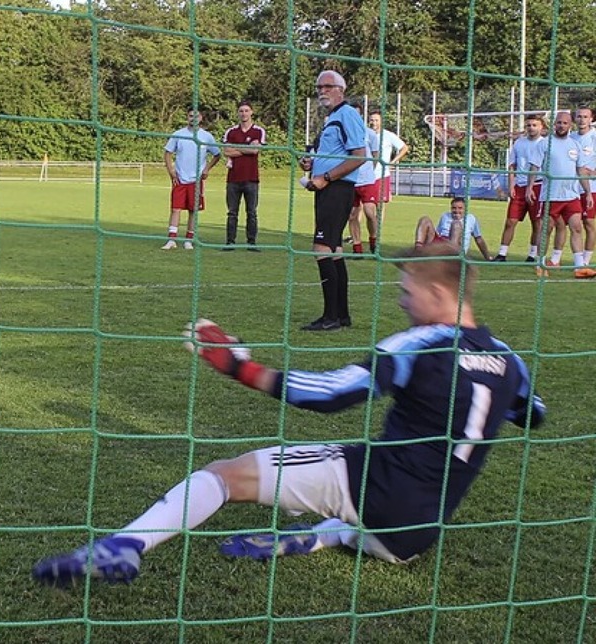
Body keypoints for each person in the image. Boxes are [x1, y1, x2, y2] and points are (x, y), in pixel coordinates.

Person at [31, 242, 546, 586]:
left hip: (376, 486)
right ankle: (318, 534)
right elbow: (533, 413)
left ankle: (126, 545)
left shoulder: (420, 342)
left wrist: (242, 368)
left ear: (438, 293)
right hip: (417, 533)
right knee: (367, 521)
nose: (401, 302)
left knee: (224, 477)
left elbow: (334, 394)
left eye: (406, 291)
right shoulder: (510, 360)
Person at [298, 70, 366, 331]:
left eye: (327, 86)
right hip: (328, 188)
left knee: (321, 249)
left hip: (337, 189)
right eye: (318, 87)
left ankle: (330, 318)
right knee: (335, 252)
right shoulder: (332, 118)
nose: (321, 91)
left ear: (341, 89)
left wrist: (326, 176)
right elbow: (334, 153)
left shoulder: (347, 114)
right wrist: (312, 163)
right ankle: (342, 316)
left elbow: (359, 156)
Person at [526, 110, 596, 279]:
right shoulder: (545, 144)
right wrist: (529, 187)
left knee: (577, 228)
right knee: (546, 230)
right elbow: (534, 167)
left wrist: (587, 192)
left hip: (571, 196)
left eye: (565, 123)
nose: (562, 126)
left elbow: (580, 171)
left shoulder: (575, 145)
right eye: (559, 123)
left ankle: (579, 267)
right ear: (554, 124)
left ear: (569, 125)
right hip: (551, 196)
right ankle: (541, 263)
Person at [161, 108, 221, 250]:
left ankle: (189, 239)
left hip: (196, 179)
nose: (193, 119)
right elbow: (168, 153)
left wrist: (207, 169)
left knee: (193, 210)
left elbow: (217, 154)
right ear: (187, 118)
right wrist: (171, 170)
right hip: (180, 178)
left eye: (196, 116)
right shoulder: (178, 134)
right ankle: (171, 239)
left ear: (201, 118)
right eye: (190, 116)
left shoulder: (206, 136)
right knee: (176, 208)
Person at [493, 114, 547, 262]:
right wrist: (511, 184)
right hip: (520, 186)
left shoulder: (545, 144)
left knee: (537, 222)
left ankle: (532, 255)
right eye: (528, 125)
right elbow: (512, 165)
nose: (531, 128)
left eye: (534, 125)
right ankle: (502, 253)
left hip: (538, 186)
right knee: (511, 221)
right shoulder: (518, 143)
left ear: (541, 127)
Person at [221, 100, 266, 251]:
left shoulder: (258, 131)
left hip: (251, 179)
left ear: (251, 112)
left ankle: (251, 242)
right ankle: (230, 242)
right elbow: (226, 151)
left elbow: (256, 151)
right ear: (238, 113)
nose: (244, 113)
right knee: (232, 212)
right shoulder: (231, 132)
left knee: (251, 212)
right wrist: (247, 147)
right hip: (233, 179)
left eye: (247, 110)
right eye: (241, 111)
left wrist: (238, 149)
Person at [347, 104, 381, 257]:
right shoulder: (345, 134)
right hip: (350, 180)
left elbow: (375, 156)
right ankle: (357, 247)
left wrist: (368, 171)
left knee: (369, 213)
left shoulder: (369, 134)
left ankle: (373, 240)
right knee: (352, 215)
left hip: (367, 180)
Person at [414, 197, 493, 260]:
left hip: (456, 247)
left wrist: (487, 257)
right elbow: (437, 233)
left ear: (465, 209)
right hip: (441, 243)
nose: (456, 210)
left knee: (456, 224)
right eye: (454, 208)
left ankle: (451, 258)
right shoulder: (445, 216)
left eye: (460, 208)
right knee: (425, 220)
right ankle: (418, 252)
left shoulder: (471, 218)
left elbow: (478, 239)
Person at [368, 110, 409, 217]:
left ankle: (377, 232)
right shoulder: (365, 134)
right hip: (367, 175)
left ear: (381, 121)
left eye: (376, 120)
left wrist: (392, 163)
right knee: (365, 206)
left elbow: (404, 148)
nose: (374, 122)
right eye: (372, 120)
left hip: (381, 175)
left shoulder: (388, 135)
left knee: (380, 206)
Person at [570, 107, 596, 266]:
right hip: (572, 188)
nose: (582, 120)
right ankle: (557, 258)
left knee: (589, 223)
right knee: (573, 224)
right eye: (579, 116)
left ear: (592, 119)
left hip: (591, 188)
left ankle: (586, 260)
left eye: (585, 117)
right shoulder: (571, 137)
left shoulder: (594, 137)